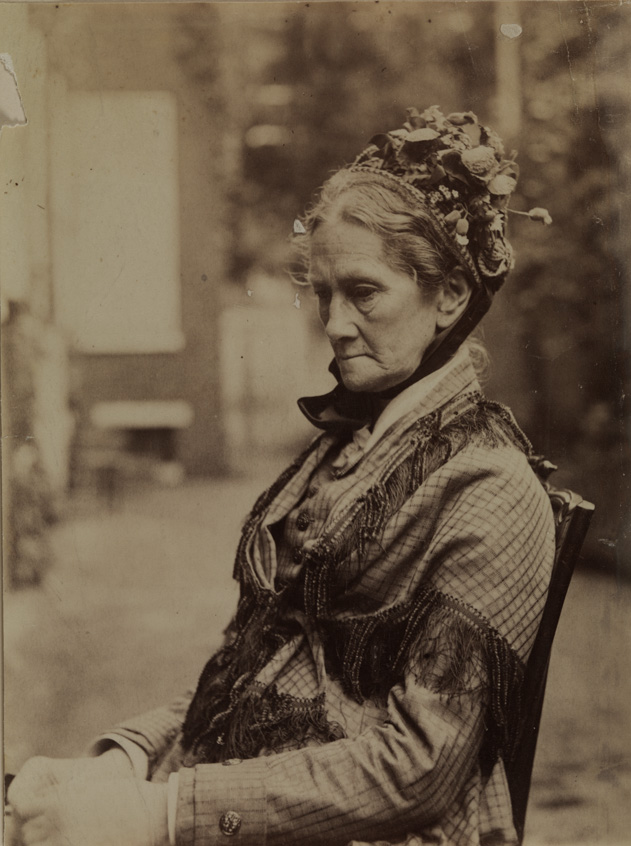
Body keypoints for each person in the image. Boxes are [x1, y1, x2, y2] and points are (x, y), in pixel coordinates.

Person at [7, 106, 556, 846]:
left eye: (363, 293)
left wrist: (162, 813)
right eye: (324, 294)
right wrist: (125, 757)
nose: (332, 323)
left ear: (449, 297)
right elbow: (259, 668)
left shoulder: (487, 490)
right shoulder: (351, 449)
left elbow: (419, 771)